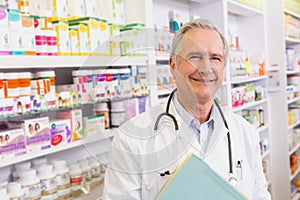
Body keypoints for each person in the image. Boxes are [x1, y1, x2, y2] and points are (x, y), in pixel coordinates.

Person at [103, 18, 271, 200]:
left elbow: (260, 195)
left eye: (215, 58)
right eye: (195, 57)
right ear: (173, 66)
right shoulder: (130, 139)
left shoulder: (245, 132)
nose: (206, 68)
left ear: (223, 67)